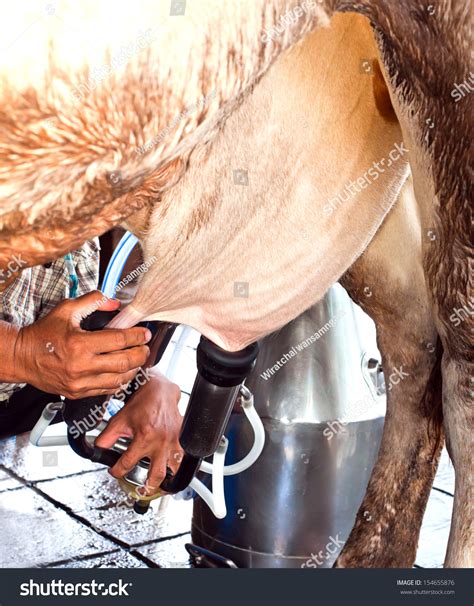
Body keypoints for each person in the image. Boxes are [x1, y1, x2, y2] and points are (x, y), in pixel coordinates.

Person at [0, 239, 182, 493]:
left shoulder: (90, 222)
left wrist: (145, 380)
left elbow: (69, 337)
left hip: (28, 397)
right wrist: (21, 352)